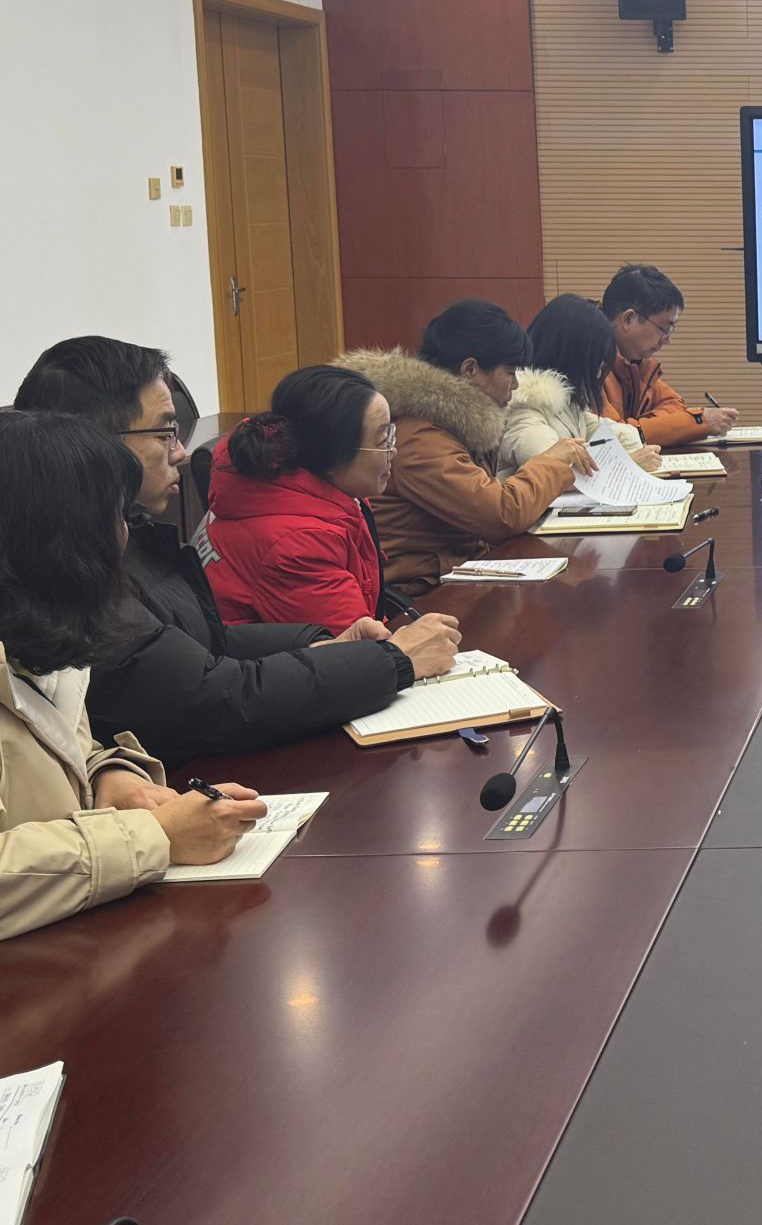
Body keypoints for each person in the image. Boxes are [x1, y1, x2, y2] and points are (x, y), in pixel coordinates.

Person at [14, 338, 457, 767]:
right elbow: (216, 698)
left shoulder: (133, 531)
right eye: (166, 431)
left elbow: (202, 641)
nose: (181, 452)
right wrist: (390, 661)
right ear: (94, 443)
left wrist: (320, 643)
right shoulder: (74, 566)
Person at [0, 411, 268, 938]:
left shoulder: (39, 638)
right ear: (55, 542)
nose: (124, 540)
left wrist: (109, 776)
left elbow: (55, 749)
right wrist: (152, 836)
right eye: (115, 518)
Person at [341, 299, 592, 592]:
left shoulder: (453, 425)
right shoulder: (419, 438)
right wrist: (552, 462)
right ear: (470, 369)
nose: (515, 386)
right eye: (510, 372)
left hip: (453, 576)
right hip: (420, 595)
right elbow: (502, 515)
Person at [204, 364, 447, 636]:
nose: (394, 451)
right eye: (382, 440)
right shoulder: (297, 545)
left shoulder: (294, 490)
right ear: (331, 456)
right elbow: (358, 648)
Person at [501, 295, 661, 476]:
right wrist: (628, 464)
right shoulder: (524, 408)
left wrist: (634, 446)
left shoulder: (565, 404)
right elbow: (554, 474)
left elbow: (610, 433)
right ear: (573, 357)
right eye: (596, 363)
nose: (598, 374)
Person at [599, 263, 738, 447]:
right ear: (628, 319)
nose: (667, 340)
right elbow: (613, 439)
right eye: (665, 328)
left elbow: (674, 404)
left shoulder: (635, 362)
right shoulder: (587, 361)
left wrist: (642, 428)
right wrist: (700, 422)